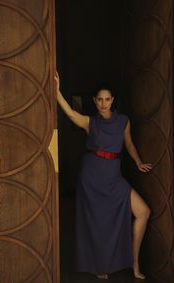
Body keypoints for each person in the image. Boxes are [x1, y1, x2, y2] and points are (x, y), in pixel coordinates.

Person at [54, 72, 152, 280]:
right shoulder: (91, 123)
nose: (104, 103)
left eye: (107, 99)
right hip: (91, 179)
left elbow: (129, 144)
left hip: (114, 179)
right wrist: (56, 92)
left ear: (113, 100)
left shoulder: (123, 121)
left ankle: (134, 264)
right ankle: (100, 266)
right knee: (98, 224)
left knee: (143, 212)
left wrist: (138, 162)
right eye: (100, 99)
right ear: (94, 101)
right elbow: (71, 114)